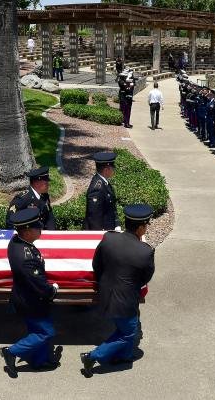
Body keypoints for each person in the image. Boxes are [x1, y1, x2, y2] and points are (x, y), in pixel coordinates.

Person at [80, 204, 155, 378]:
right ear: (141, 227)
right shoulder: (145, 252)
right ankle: (92, 357)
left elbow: (96, 265)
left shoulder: (108, 238)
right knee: (129, 332)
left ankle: (123, 356)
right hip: (125, 300)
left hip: (106, 293)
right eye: (146, 225)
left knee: (124, 328)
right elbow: (145, 278)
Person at [0, 208, 60, 378]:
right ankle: (11, 352)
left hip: (26, 296)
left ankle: (39, 361)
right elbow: (39, 284)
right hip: (32, 301)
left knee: (36, 331)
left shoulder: (17, 241)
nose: (40, 230)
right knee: (46, 332)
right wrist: (53, 290)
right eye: (36, 227)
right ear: (26, 231)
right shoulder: (25, 257)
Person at [6, 166, 56, 230]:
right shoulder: (22, 199)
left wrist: (51, 233)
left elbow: (49, 217)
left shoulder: (44, 196)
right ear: (37, 183)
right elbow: (10, 221)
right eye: (46, 183)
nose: (48, 185)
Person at [84, 152, 120, 231]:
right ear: (106, 170)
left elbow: (112, 207)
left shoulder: (105, 183)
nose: (114, 169)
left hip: (109, 230)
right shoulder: (97, 189)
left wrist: (117, 224)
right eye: (112, 167)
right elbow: (94, 218)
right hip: (101, 233)